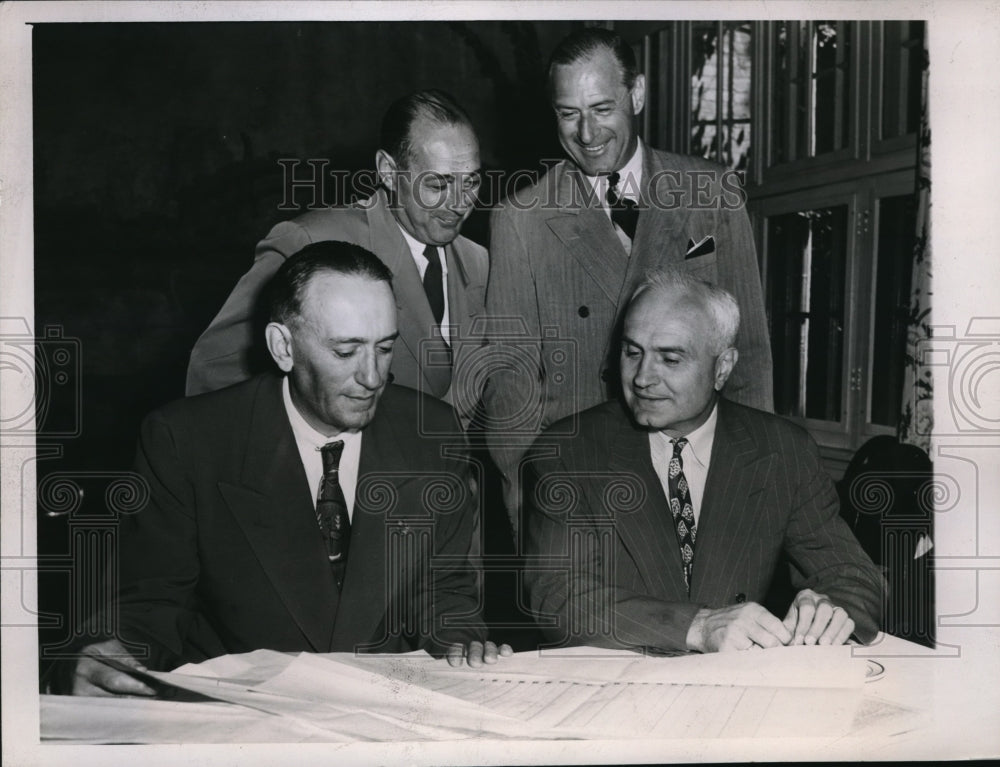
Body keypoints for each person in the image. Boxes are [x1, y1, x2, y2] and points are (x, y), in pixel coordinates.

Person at [63, 242, 509, 696]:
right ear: (283, 347)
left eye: (385, 348)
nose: (372, 377)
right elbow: (150, 603)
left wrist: (460, 645)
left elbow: (441, 586)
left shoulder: (432, 433)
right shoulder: (187, 441)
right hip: (240, 717)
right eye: (345, 351)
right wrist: (112, 655)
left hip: (380, 710)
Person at [484, 28, 773, 531]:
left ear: (636, 94)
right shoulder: (521, 218)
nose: (587, 133)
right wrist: (528, 489)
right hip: (578, 482)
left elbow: (748, 354)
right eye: (567, 114)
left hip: (696, 475)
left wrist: (752, 472)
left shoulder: (712, 193)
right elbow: (510, 380)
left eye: (601, 108)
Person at [523, 266, 884, 654]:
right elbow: (556, 594)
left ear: (722, 367)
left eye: (670, 359)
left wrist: (830, 608)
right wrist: (697, 625)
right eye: (632, 352)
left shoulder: (782, 450)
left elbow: (853, 574)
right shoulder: (569, 450)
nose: (643, 378)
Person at [186, 89, 487, 424]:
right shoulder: (309, 241)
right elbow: (213, 370)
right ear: (388, 171)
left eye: (471, 181)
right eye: (437, 185)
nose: (461, 204)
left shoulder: (479, 262)